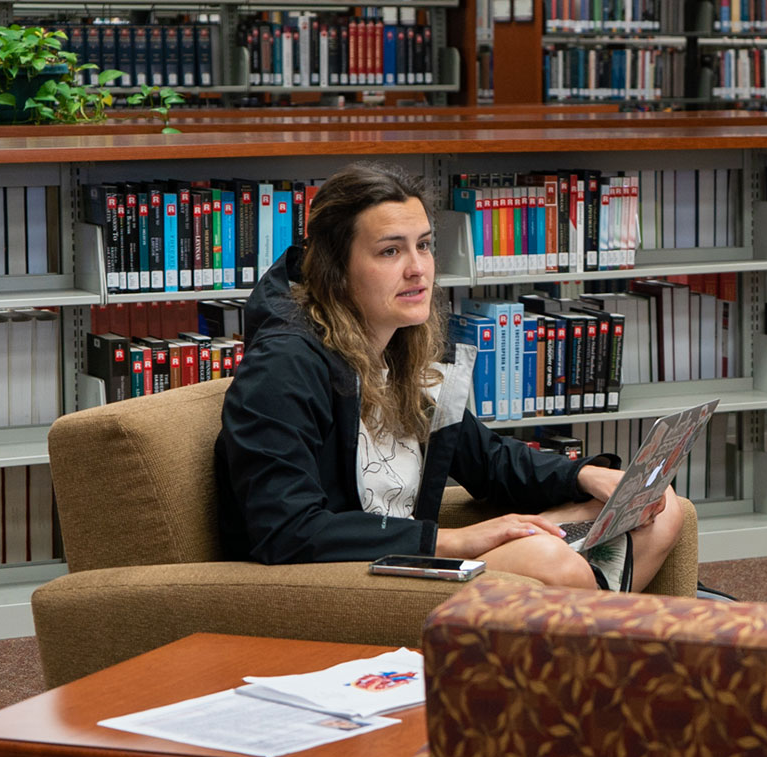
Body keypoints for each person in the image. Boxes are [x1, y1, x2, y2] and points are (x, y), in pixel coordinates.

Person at [213, 161, 683, 591]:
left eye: (423, 245)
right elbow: (288, 530)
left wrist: (587, 476)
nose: (417, 269)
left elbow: (489, 459)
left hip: (409, 555)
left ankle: (589, 632)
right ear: (335, 268)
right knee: (550, 561)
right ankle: (606, 636)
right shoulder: (284, 366)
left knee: (658, 515)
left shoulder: (402, 345)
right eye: (390, 251)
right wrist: (459, 540)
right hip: (341, 573)